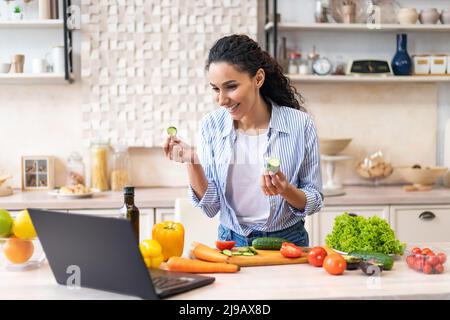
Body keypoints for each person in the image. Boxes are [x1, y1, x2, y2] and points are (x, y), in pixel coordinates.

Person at [164, 34, 323, 247]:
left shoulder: (300, 125)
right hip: (231, 242)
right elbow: (211, 207)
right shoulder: (211, 126)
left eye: (231, 87)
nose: (222, 99)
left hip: (288, 242)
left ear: (258, 79)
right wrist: (192, 161)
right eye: (215, 88)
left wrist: (285, 190)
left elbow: (314, 200)